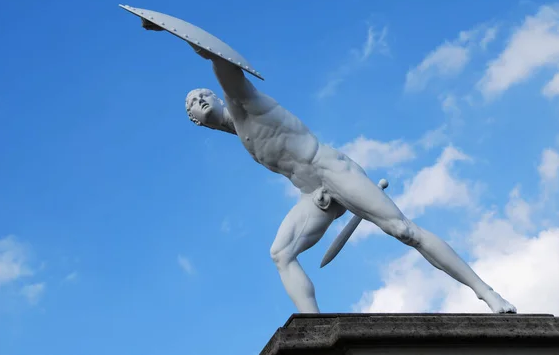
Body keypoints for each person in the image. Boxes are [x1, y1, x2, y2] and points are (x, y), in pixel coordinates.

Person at [185, 45, 516, 314]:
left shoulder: (243, 102)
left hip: (329, 168)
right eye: (192, 108)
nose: (198, 103)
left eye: (201, 96)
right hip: (312, 194)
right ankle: (312, 329)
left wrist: (196, 44)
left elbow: (224, 64)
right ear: (199, 124)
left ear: (215, 96)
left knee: (404, 230)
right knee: (281, 254)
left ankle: (486, 293)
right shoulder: (242, 137)